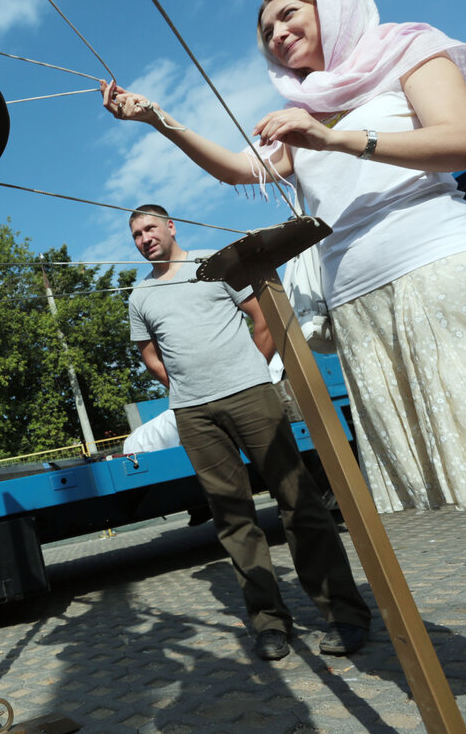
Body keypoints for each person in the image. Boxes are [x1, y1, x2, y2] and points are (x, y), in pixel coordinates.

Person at [100, 0, 466, 610]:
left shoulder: (410, 49)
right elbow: (241, 170)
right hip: (365, 312)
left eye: (287, 15)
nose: (277, 35)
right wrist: (155, 118)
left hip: (445, 280)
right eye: (265, 31)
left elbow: (465, 142)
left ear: (330, 7)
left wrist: (335, 137)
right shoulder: (306, 110)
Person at [127, 204, 370, 660]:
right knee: (233, 518)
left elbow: (264, 321)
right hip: (194, 414)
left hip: (251, 395)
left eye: (151, 228)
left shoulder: (215, 266)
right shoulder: (139, 298)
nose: (145, 239)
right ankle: (270, 624)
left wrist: (249, 371)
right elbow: (151, 357)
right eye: (137, 235)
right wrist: (187, 389)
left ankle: (345, 614)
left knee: (298, 499)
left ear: (171, 226)